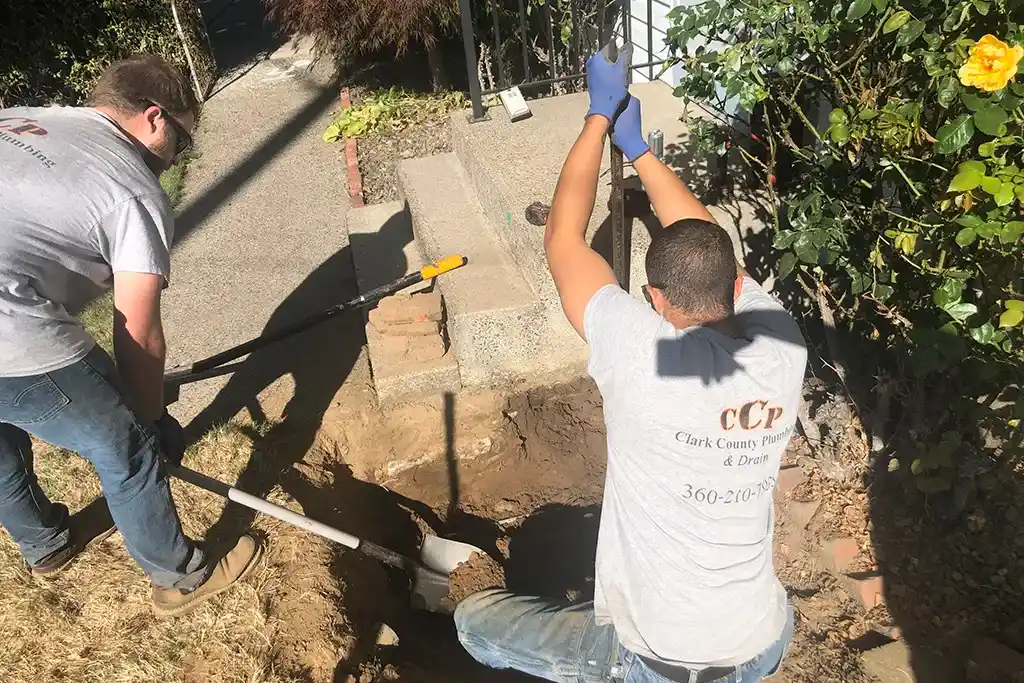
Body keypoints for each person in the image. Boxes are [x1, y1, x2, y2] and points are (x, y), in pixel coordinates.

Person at [453, 45, 808, 683]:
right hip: (760, 637)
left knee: (473, 622)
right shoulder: (783, 345)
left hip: (659, 660)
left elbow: (562, 238)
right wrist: (640, 150)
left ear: (654, 299)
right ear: (736, 287)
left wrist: (597, 117)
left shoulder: (640, 354)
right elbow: (706, 239)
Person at [0, 55, 259, 617]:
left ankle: (44, 544)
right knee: (127, 446)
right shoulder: (130, 189)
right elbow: (137, 330)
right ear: (155, 118)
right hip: (10, 334)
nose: (175, 157)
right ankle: (179, 578)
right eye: (182, 142)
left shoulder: (25, 118)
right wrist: (149, 418)